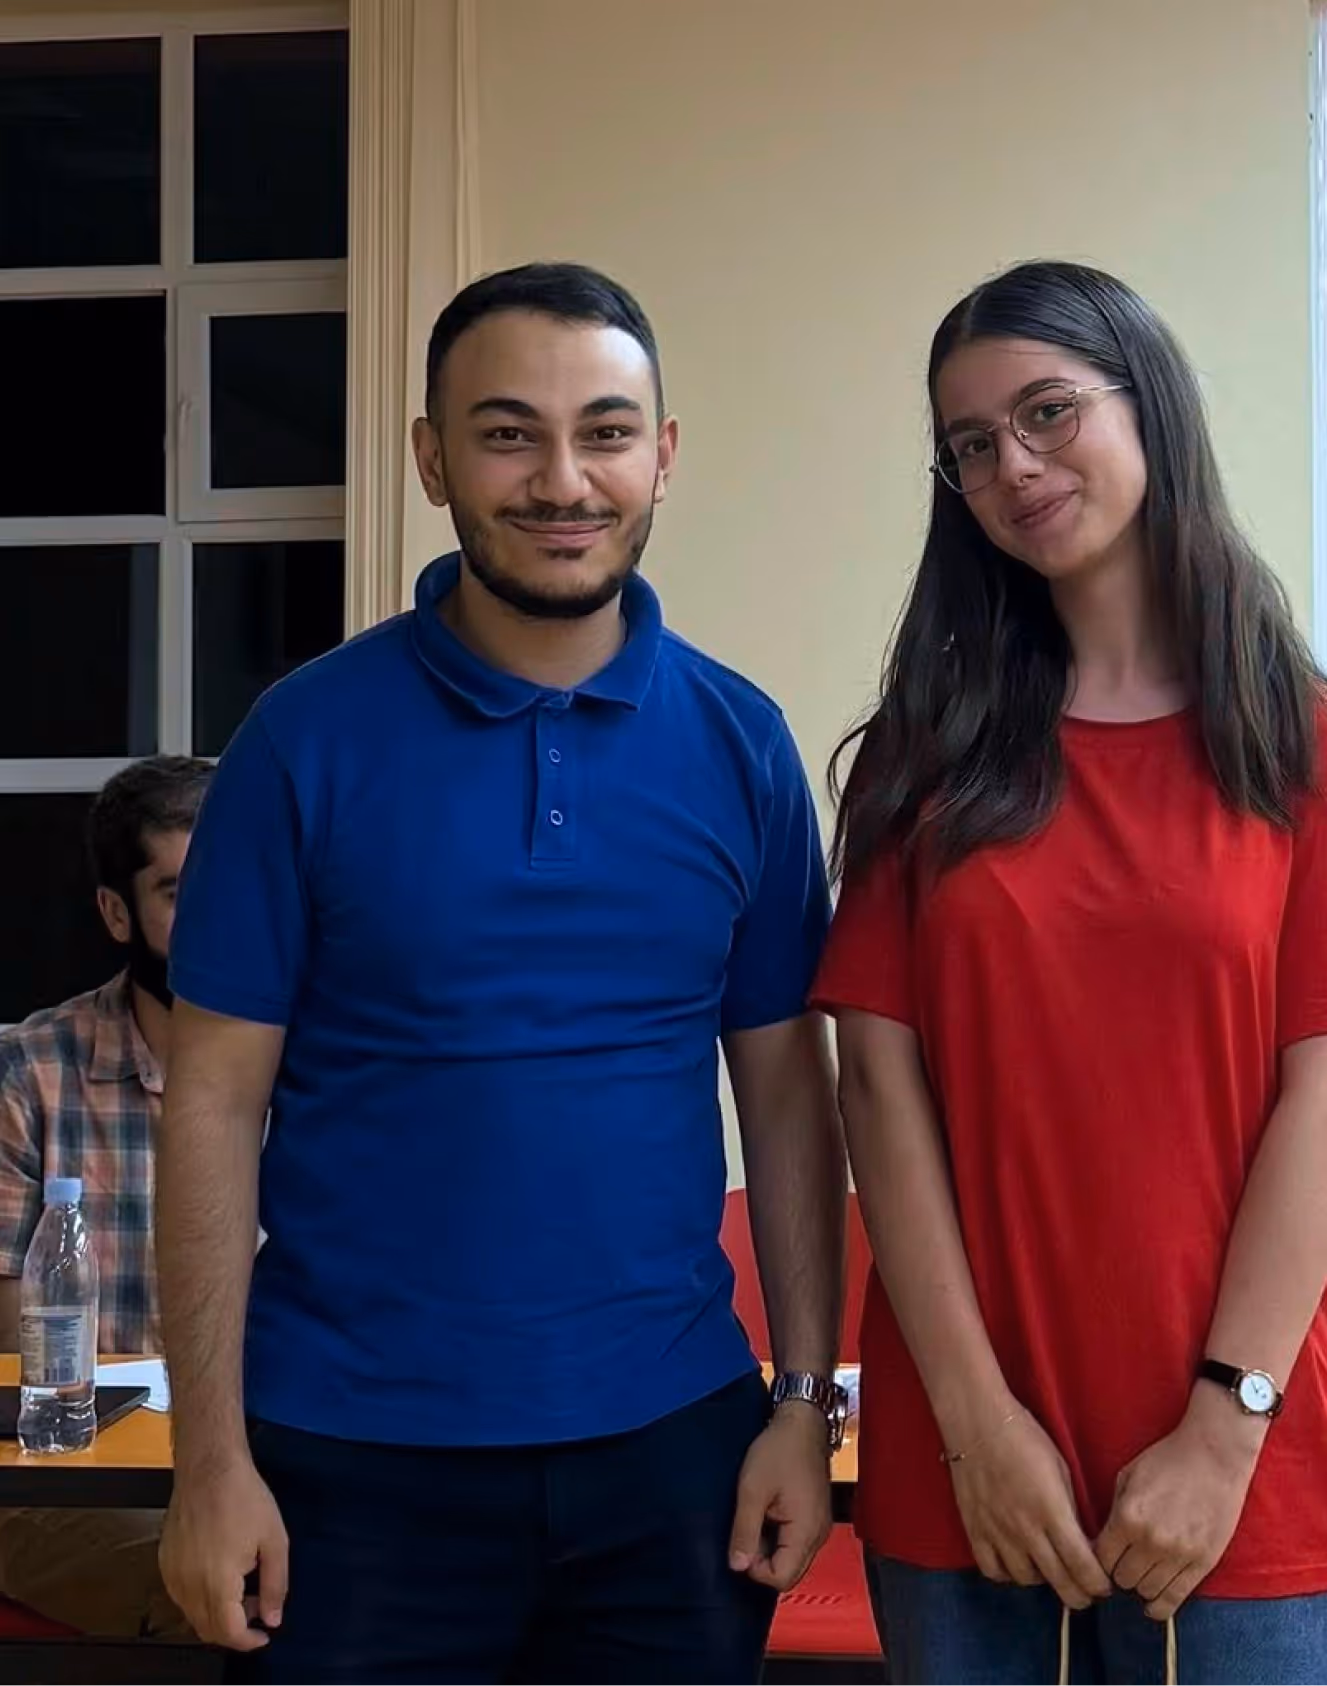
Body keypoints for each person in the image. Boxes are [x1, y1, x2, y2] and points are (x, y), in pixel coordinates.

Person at [156, 262, 848, 1685]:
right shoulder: (302, 741)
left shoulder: (741, 742)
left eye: (604, 429)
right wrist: (207, 1460)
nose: (561, 477)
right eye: (505, 431)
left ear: (662, 456)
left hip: (671, 1459)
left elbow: (785, 1093)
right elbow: (212, 1104)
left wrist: (800, 1402)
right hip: (346, 1461)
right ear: (430, 458)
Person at [812, 262, 1327, 1686]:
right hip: (969, 1442)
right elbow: (880, 1099)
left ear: (1146, 402)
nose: (1011, 465)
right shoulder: (921, 759)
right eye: (970, 445)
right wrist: (974, 1422)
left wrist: (1222, 1424)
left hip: (1246, 1437)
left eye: (1044, 412)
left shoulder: (1297, 745)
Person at [0, 756, 212, 1639]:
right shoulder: (30, 1068)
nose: (219, 921)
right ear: (116, 913)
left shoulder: (332, 1071)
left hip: (273, 1464)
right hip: (66, 1471)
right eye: (179, 893)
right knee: (222, 1598)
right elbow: (12, 1330)